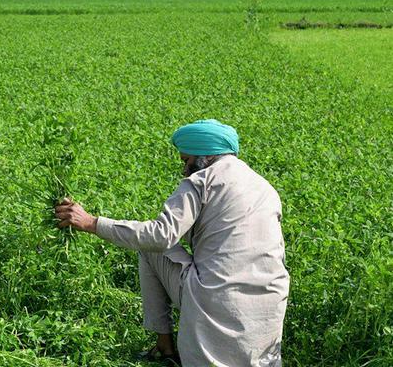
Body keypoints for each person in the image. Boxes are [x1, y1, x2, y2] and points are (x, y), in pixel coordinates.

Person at [54, 119, 289, 367]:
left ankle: (164, 345)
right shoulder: (265, 187)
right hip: (271, 300)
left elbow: (160, 236)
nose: (184, 169)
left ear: (203, 157)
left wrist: (92, 223)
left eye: (186, 161)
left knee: (150, 249)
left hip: (218, 298)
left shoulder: (201, 181)